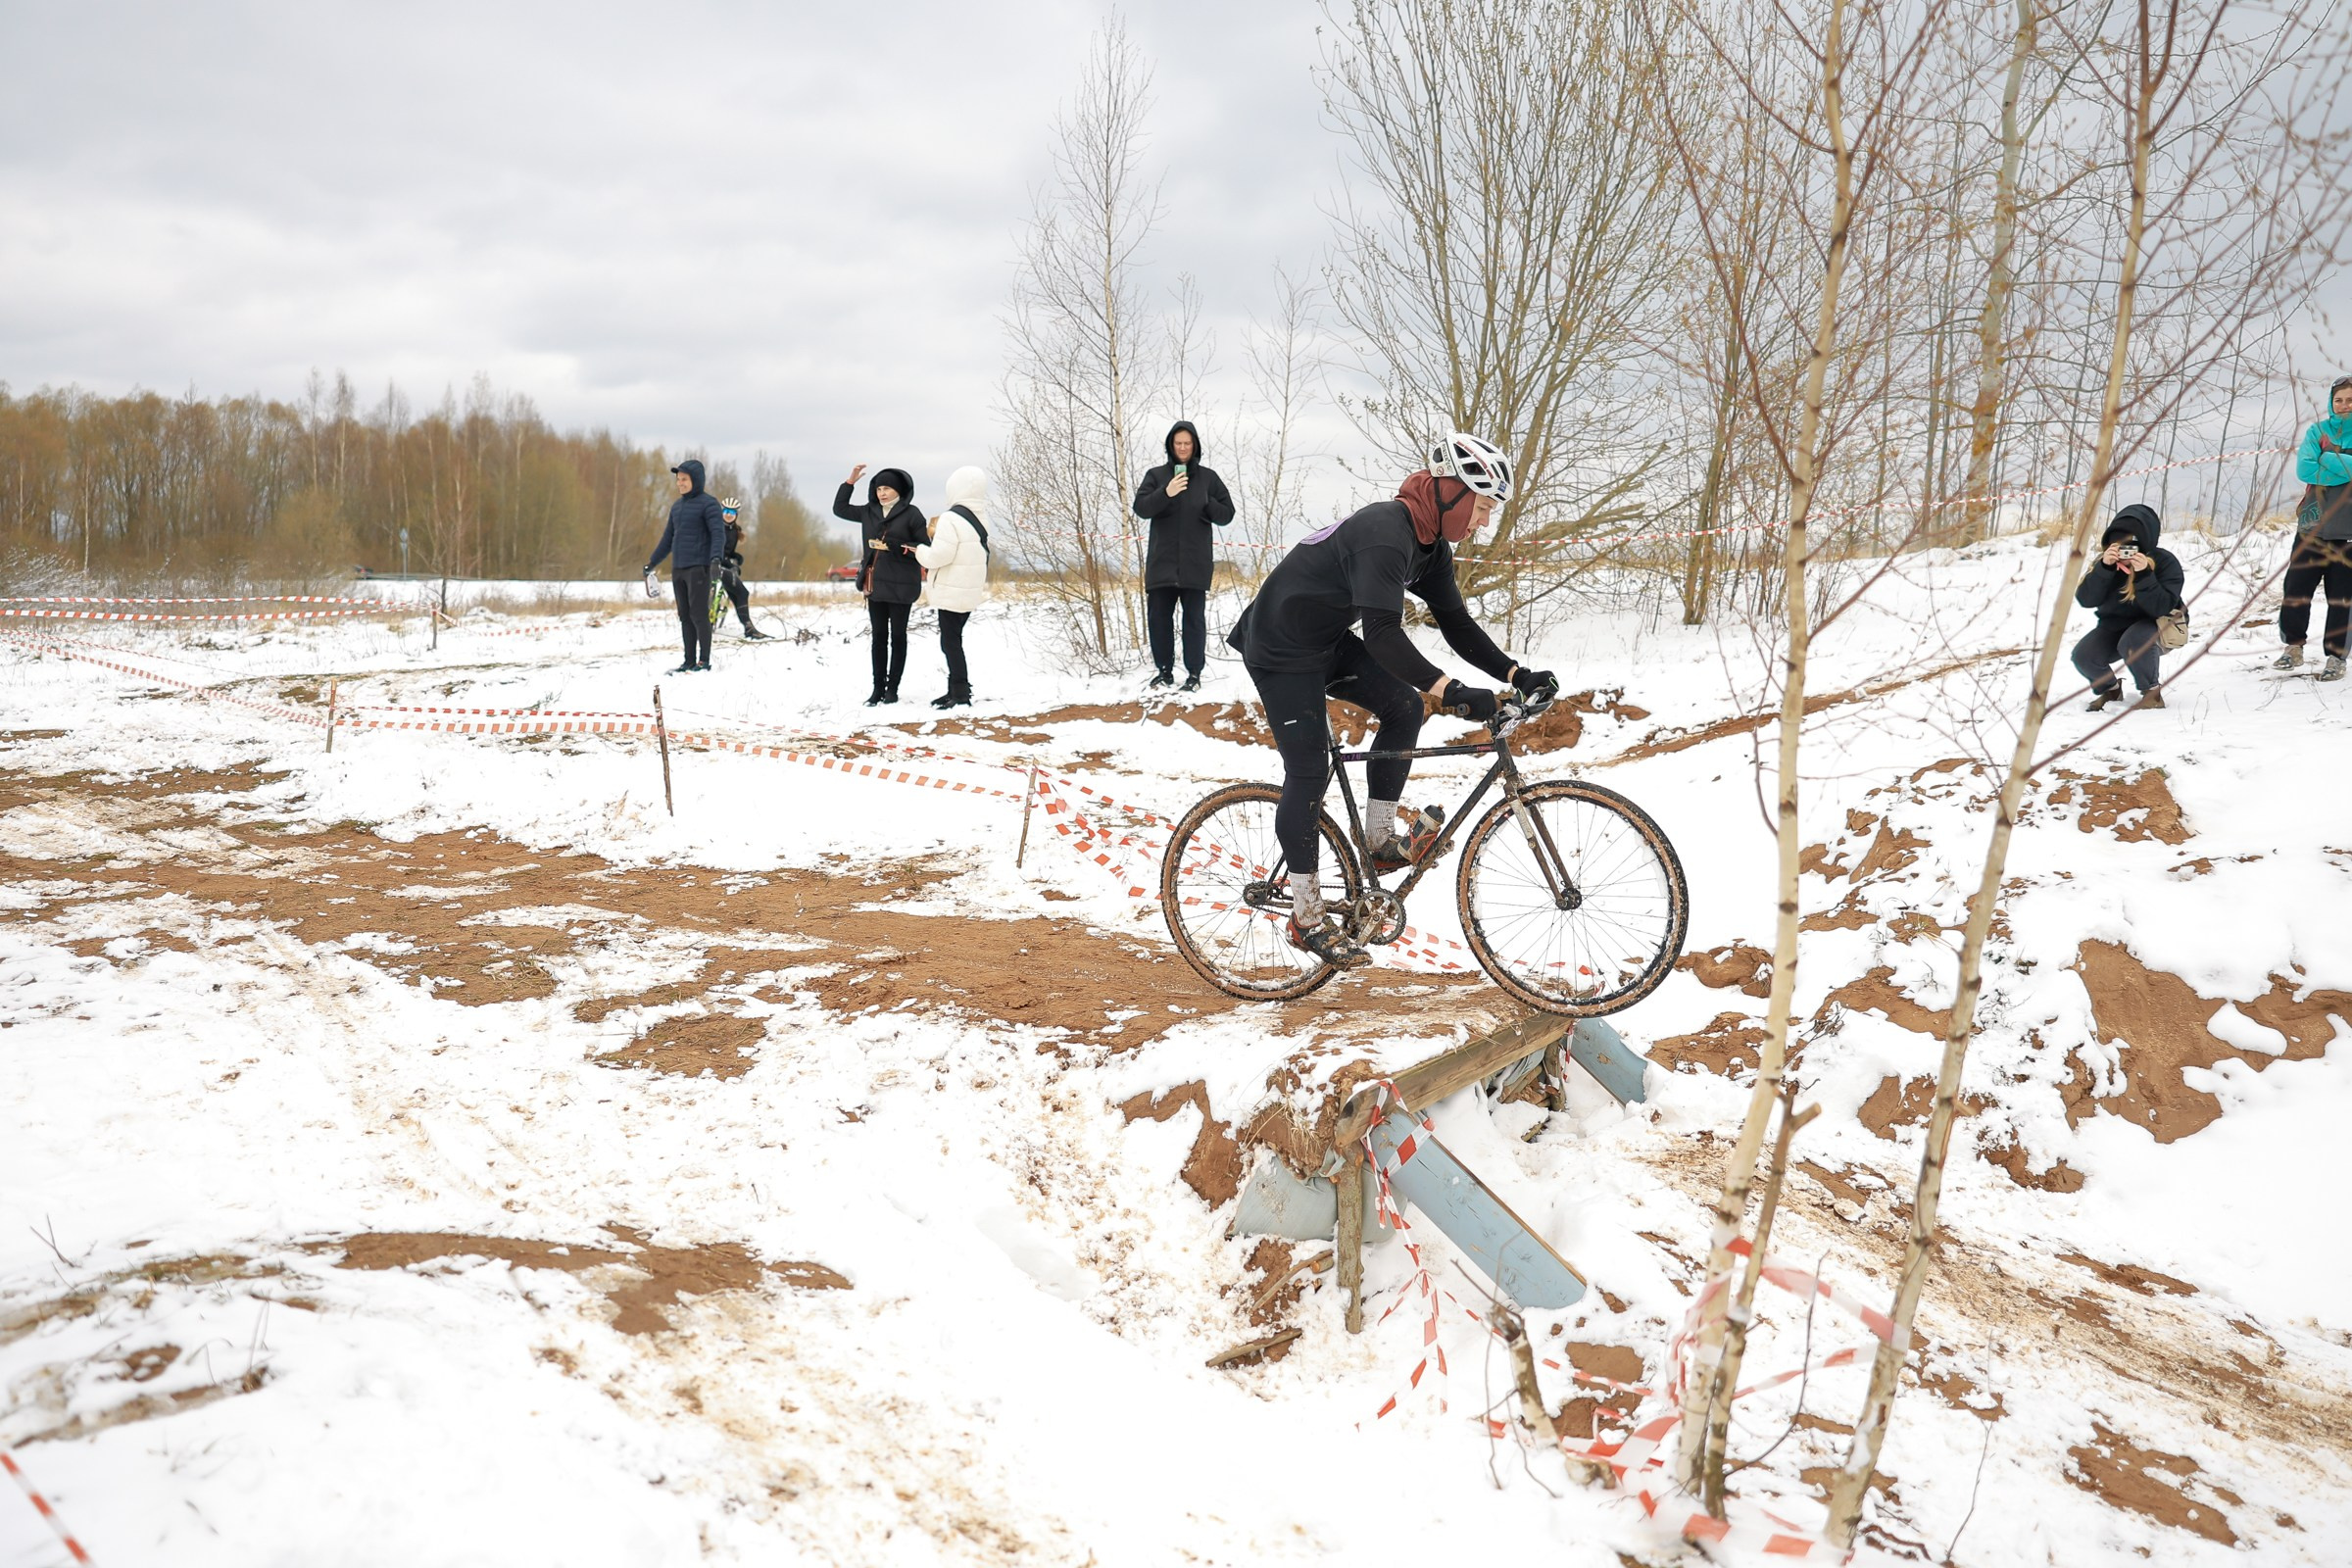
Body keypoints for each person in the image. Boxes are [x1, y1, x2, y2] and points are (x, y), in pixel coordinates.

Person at [1227, 432, 1556, 968]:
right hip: (1279, 646)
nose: (1484, 523)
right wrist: (1450, 691)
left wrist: (1516, 673)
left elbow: (1455, 622)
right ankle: (1306, 916)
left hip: (1326, 642)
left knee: (1404, 707)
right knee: (1310, 771)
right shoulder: (1386, 532)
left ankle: (1378, 841)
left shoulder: (1430, 545)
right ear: (1451, 492)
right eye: (1484, 507)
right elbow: (1382, 633)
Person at [1132, 419, 1236, 691]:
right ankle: (1164, 672)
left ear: (1194, 446)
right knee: (1159, 621)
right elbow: (1141, 508)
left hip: (1195, 566)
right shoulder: (1155, 475)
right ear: (1171, 445)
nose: (1182, 448)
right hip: (1161, 566)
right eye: (1178, 443)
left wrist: (1208, 504)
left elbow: (1227, 514)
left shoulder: (1208, 478)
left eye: (1187, 443)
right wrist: (1166, 493)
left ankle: (1194, 675)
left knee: (1193, 623)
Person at [2072, 502, 2185, 711]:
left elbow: (2161, 607)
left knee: (2133, 641)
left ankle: (2152, 694)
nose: (2125, 549)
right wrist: (2104, 569)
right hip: (2114, 626)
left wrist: (2144, 575)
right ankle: (2111, 690)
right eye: (2118, 542)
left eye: (2131, 542)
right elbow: (2086, 600)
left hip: (2157, 625)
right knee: (2083, 656)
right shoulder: (2105, 562)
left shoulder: (2164, 562)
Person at [833, 465, 925, 705]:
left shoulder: (913, 514)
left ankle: (893, 689)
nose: (882, 493)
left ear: (899, 490)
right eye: (879, 488)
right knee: (878, 638)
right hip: (875, 585)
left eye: (887, 488)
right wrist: (849, 483)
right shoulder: (869, 511)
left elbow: (925, 549)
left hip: (903, 585)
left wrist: (894, 546)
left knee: (898, 637)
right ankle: (877, 689)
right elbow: (839, 509)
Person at [2279, 375, 2352, 680]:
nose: (2344, 405)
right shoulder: (2317, 431)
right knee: (2295, 591)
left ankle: (2336, 657)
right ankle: (2292, 648)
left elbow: (2319, 465)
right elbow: (2304, 469)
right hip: (2311, 527)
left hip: (2348, 532)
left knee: (2342, 599)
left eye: (2350, 400)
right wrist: (2345, 466)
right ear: (2331, 403)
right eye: (2339, 400)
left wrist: (2325, 460)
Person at [915, 466, 992, 709]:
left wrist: (919, 550)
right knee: (953, 641)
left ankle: (959, 692)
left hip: (951, 590)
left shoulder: (950, 518)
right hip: (968, 590)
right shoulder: (980, 517)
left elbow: (939, 556)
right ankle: (955, 689)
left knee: (950, 643)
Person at [645, 458, 727, 674]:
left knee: (699, 614)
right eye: (678, 479)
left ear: (696, 480)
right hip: (679, 568)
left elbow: (718, 535)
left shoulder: (709, 504)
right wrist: (652, 562)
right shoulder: (677, 507)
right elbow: (667, 539)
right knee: (684, 615)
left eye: (684, 479)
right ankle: (688, 660)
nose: (679, 483)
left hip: (699, 568)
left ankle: (704, 661)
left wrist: (716, 560)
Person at [714, 497, 770, 641]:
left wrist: (736, 557)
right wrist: (729, 564)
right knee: (742, 592)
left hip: (724, 565)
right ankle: (748, 627)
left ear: (736, 515)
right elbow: (716, 551)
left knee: (740, 593)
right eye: (726, 511)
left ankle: (748, 627)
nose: (728, 514)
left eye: (731, 512)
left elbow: (727, 551)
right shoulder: (716, 528)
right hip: (712, 565)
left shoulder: (734, 531)